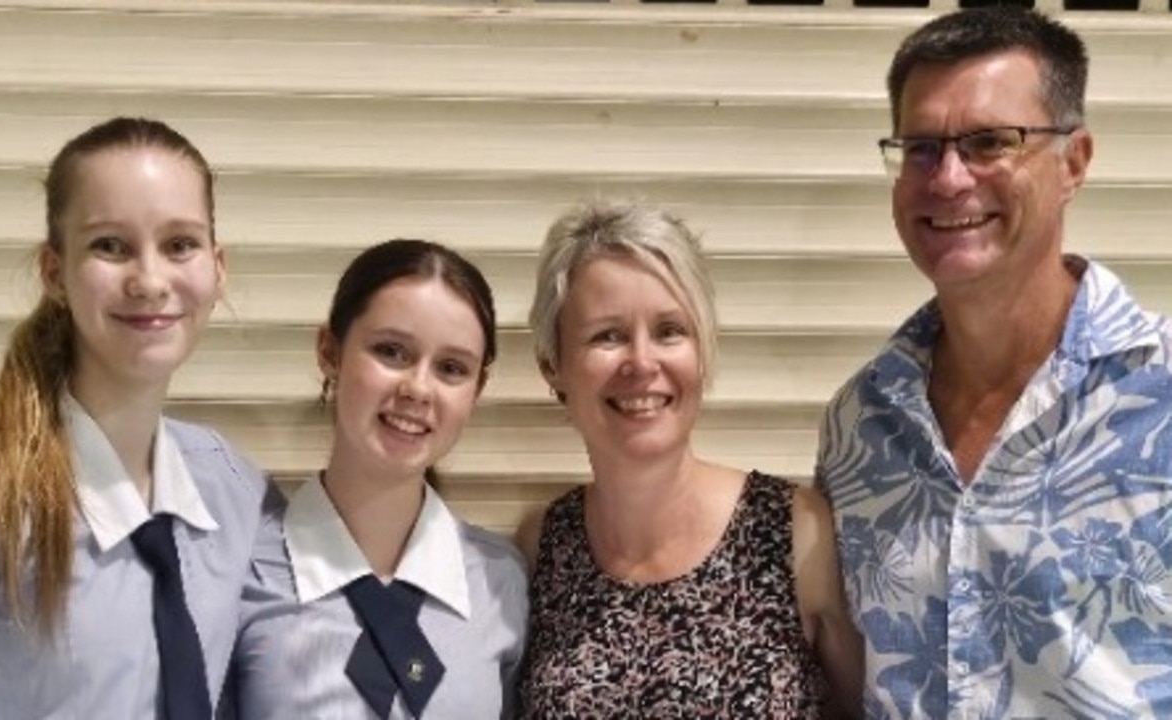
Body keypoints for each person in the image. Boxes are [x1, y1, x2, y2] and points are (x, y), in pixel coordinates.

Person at [816, 6, 1172, 718]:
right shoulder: (861, 423)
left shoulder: (1157, 399)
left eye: (988, 142)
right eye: (919, 147)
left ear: (1072, 161)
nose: (947, 178)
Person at [0, 117, 268, 719]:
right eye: (109, 246)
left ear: (217, 267)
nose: (149, 281)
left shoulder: (236, 489)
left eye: (180, 245)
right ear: (54, 272)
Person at [516, 199, 862, 719]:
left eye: (669, 330)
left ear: (702, 352)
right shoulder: (543, 544)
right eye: (607, 335)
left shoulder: (797, 534)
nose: (641, 361)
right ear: (553, 366)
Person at [229, 239, 528, 719]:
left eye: (452, 368)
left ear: (478, 388)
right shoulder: (241, 573)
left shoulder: (500, 583)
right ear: (330, 351)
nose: (418, 389)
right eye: (391, 351)